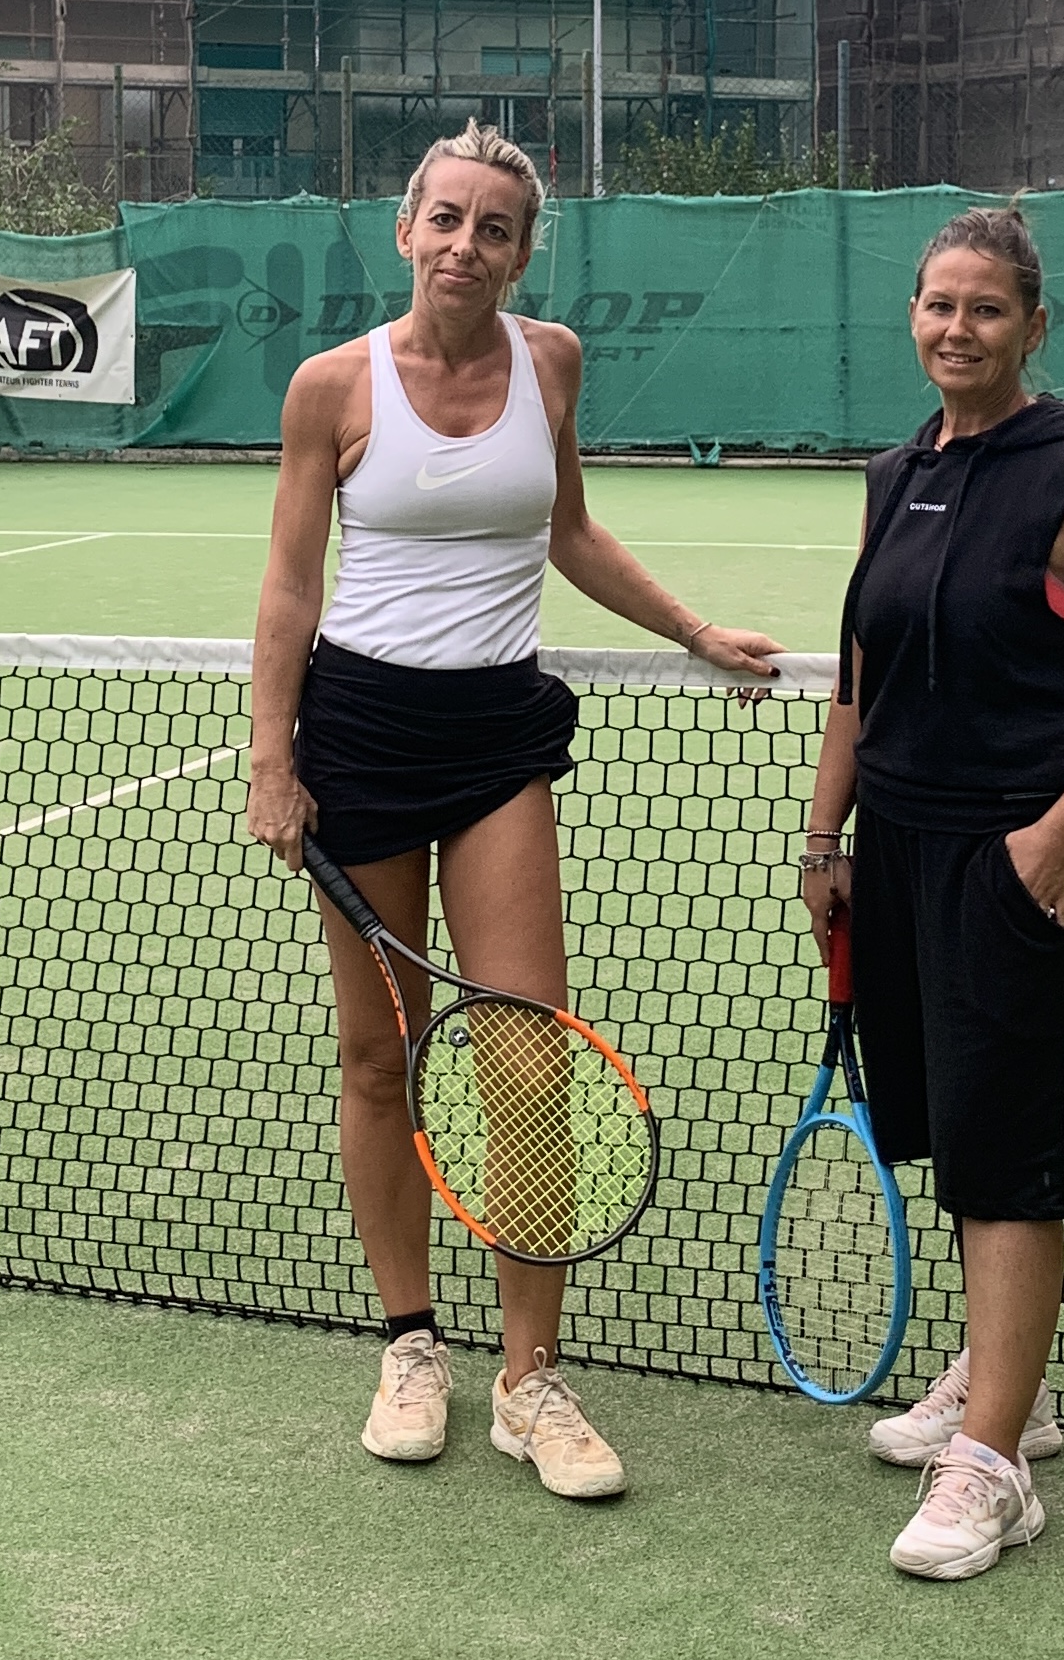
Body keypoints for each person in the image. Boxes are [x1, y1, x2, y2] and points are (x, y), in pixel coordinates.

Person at [246, 119, 781, 1501]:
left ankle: (530, 1378)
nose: (465, 246)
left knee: (530, 1063)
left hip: (498, 743)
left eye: (495, 228)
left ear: (524, 250)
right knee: (381, 1058)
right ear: (406, 229)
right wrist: (270, 757)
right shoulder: (331, 388)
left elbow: (569, 531)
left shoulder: (552, 363)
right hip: (359, 741)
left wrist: (691, 629)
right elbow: (292, 585)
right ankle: (410, 1344)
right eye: (446, 219)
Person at [800, 204, 1064, 1580]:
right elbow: (859, 676)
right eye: (937, 304)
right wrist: (827, 837)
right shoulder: (894, 472)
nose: (956, 328)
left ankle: (994, 1468)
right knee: (949, 1120)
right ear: (912, 316)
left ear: (1033, 324)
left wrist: (1054, 840)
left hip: (1020, 854)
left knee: (1003, 1140)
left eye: (984, 308)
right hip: (900, 847)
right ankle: (998, 1376)